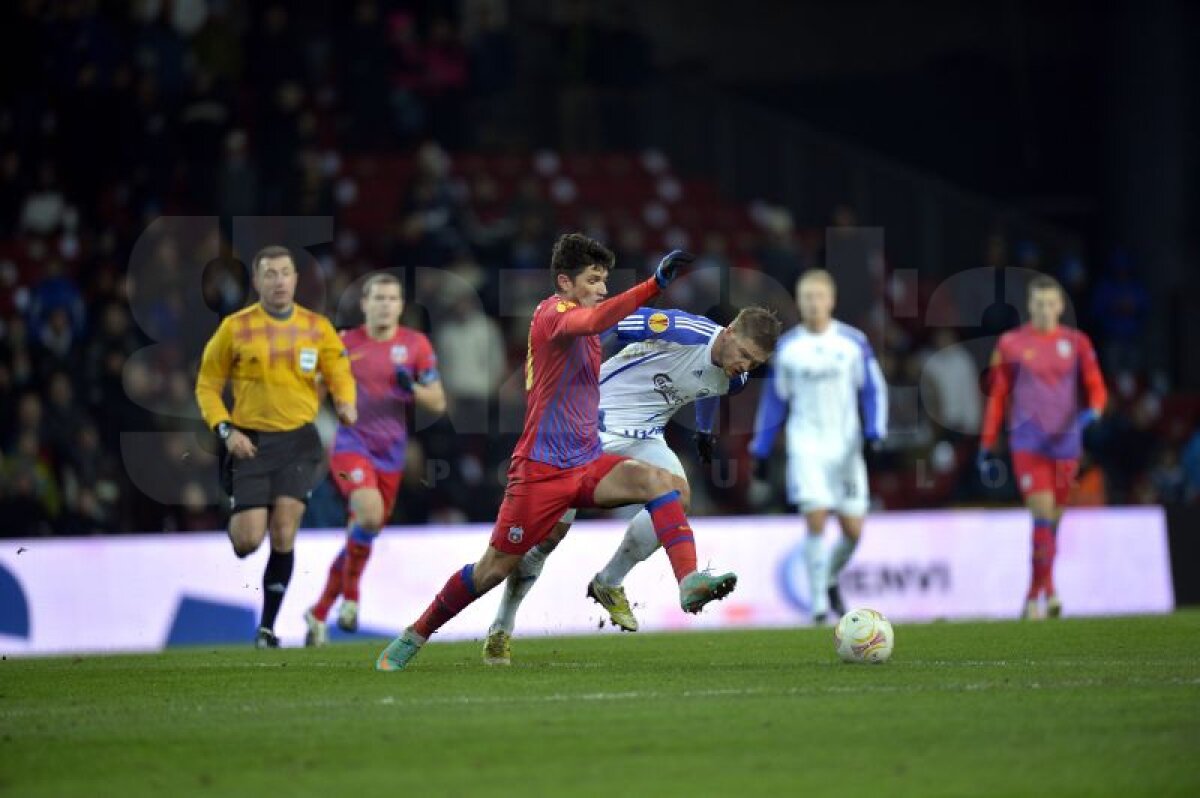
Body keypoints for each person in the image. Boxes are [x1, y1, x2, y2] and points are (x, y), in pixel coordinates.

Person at [375, 233, 737, 671]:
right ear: (564, 282)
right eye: (593, 279)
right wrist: (652, 284)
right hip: (541, 472)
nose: (602, 288)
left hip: (586, 462)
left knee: (662, 485)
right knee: (493, 570)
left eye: (605, 280)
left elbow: (613, 323)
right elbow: (596, 321)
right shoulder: (552, 314)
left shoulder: (587, 319)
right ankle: (416, 633)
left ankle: (688, 581)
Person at [482, 305, 781, 664]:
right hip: (590, 422)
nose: (745, 365)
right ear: (730, 331)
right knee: (547, 538)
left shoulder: (737, 377)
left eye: (755, 363)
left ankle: (609, 581)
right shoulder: (682, 328)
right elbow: (610, 325)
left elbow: (710, 387)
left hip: (645, 435)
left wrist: (704, 429)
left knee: (678, 495)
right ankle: (501, 626)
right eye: (745, 354)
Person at [195, 245, 356, 648]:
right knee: (247, 541)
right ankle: (242, 512)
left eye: (285, 273)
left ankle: (267, 628)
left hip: (299, 442)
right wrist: (226, 431)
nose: (279, 281)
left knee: (284, 532)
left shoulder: (317, 328)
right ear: (257, 281)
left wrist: (345, 400)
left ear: (296, 280)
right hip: (249, 441)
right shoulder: (235, 327)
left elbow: (339, 369)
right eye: (270, 274)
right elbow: (207, 385)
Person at [303, 273, 446, 646]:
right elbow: (314, 394)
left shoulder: (415, 345)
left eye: (392, 298)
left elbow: (438, 401)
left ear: (401, 306)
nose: (385, 304)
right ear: (364, 304)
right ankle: (351, 599)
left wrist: (410, 388)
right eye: (378, 298)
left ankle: (319, 612)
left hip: (391, 455)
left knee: (362, 532)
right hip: (350, 445)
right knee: (366, 515)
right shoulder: (344, 344)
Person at [748, 269, 888, 624]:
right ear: (799, 302)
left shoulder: (853, 342)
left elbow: (873, 389)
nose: (813, 303)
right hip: (806, 445)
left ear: (831, 300)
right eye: (806, 297)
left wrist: (875, 432)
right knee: (816, 520)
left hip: (846, 447)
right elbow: (774, 402)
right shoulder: (789, 348)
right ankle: (818, 608)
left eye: (818, 296)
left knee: (854, 531)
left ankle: (827, 579)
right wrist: (761, 448)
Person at [978, 275, 1107, 620]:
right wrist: (987, 441)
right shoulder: (1010, 344)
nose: (1045, 311)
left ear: (1061, 307)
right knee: (1041, 515)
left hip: (1066, 444)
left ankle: (1038, 589)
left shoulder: (1076, 342)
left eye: (1051, 304)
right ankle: (1045, 594)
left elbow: (1096, 385)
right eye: (1038, 304)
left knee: (1053, 523)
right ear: (1028, 307)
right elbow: (997, 395)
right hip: (1028, 443)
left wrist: (1093, 410)